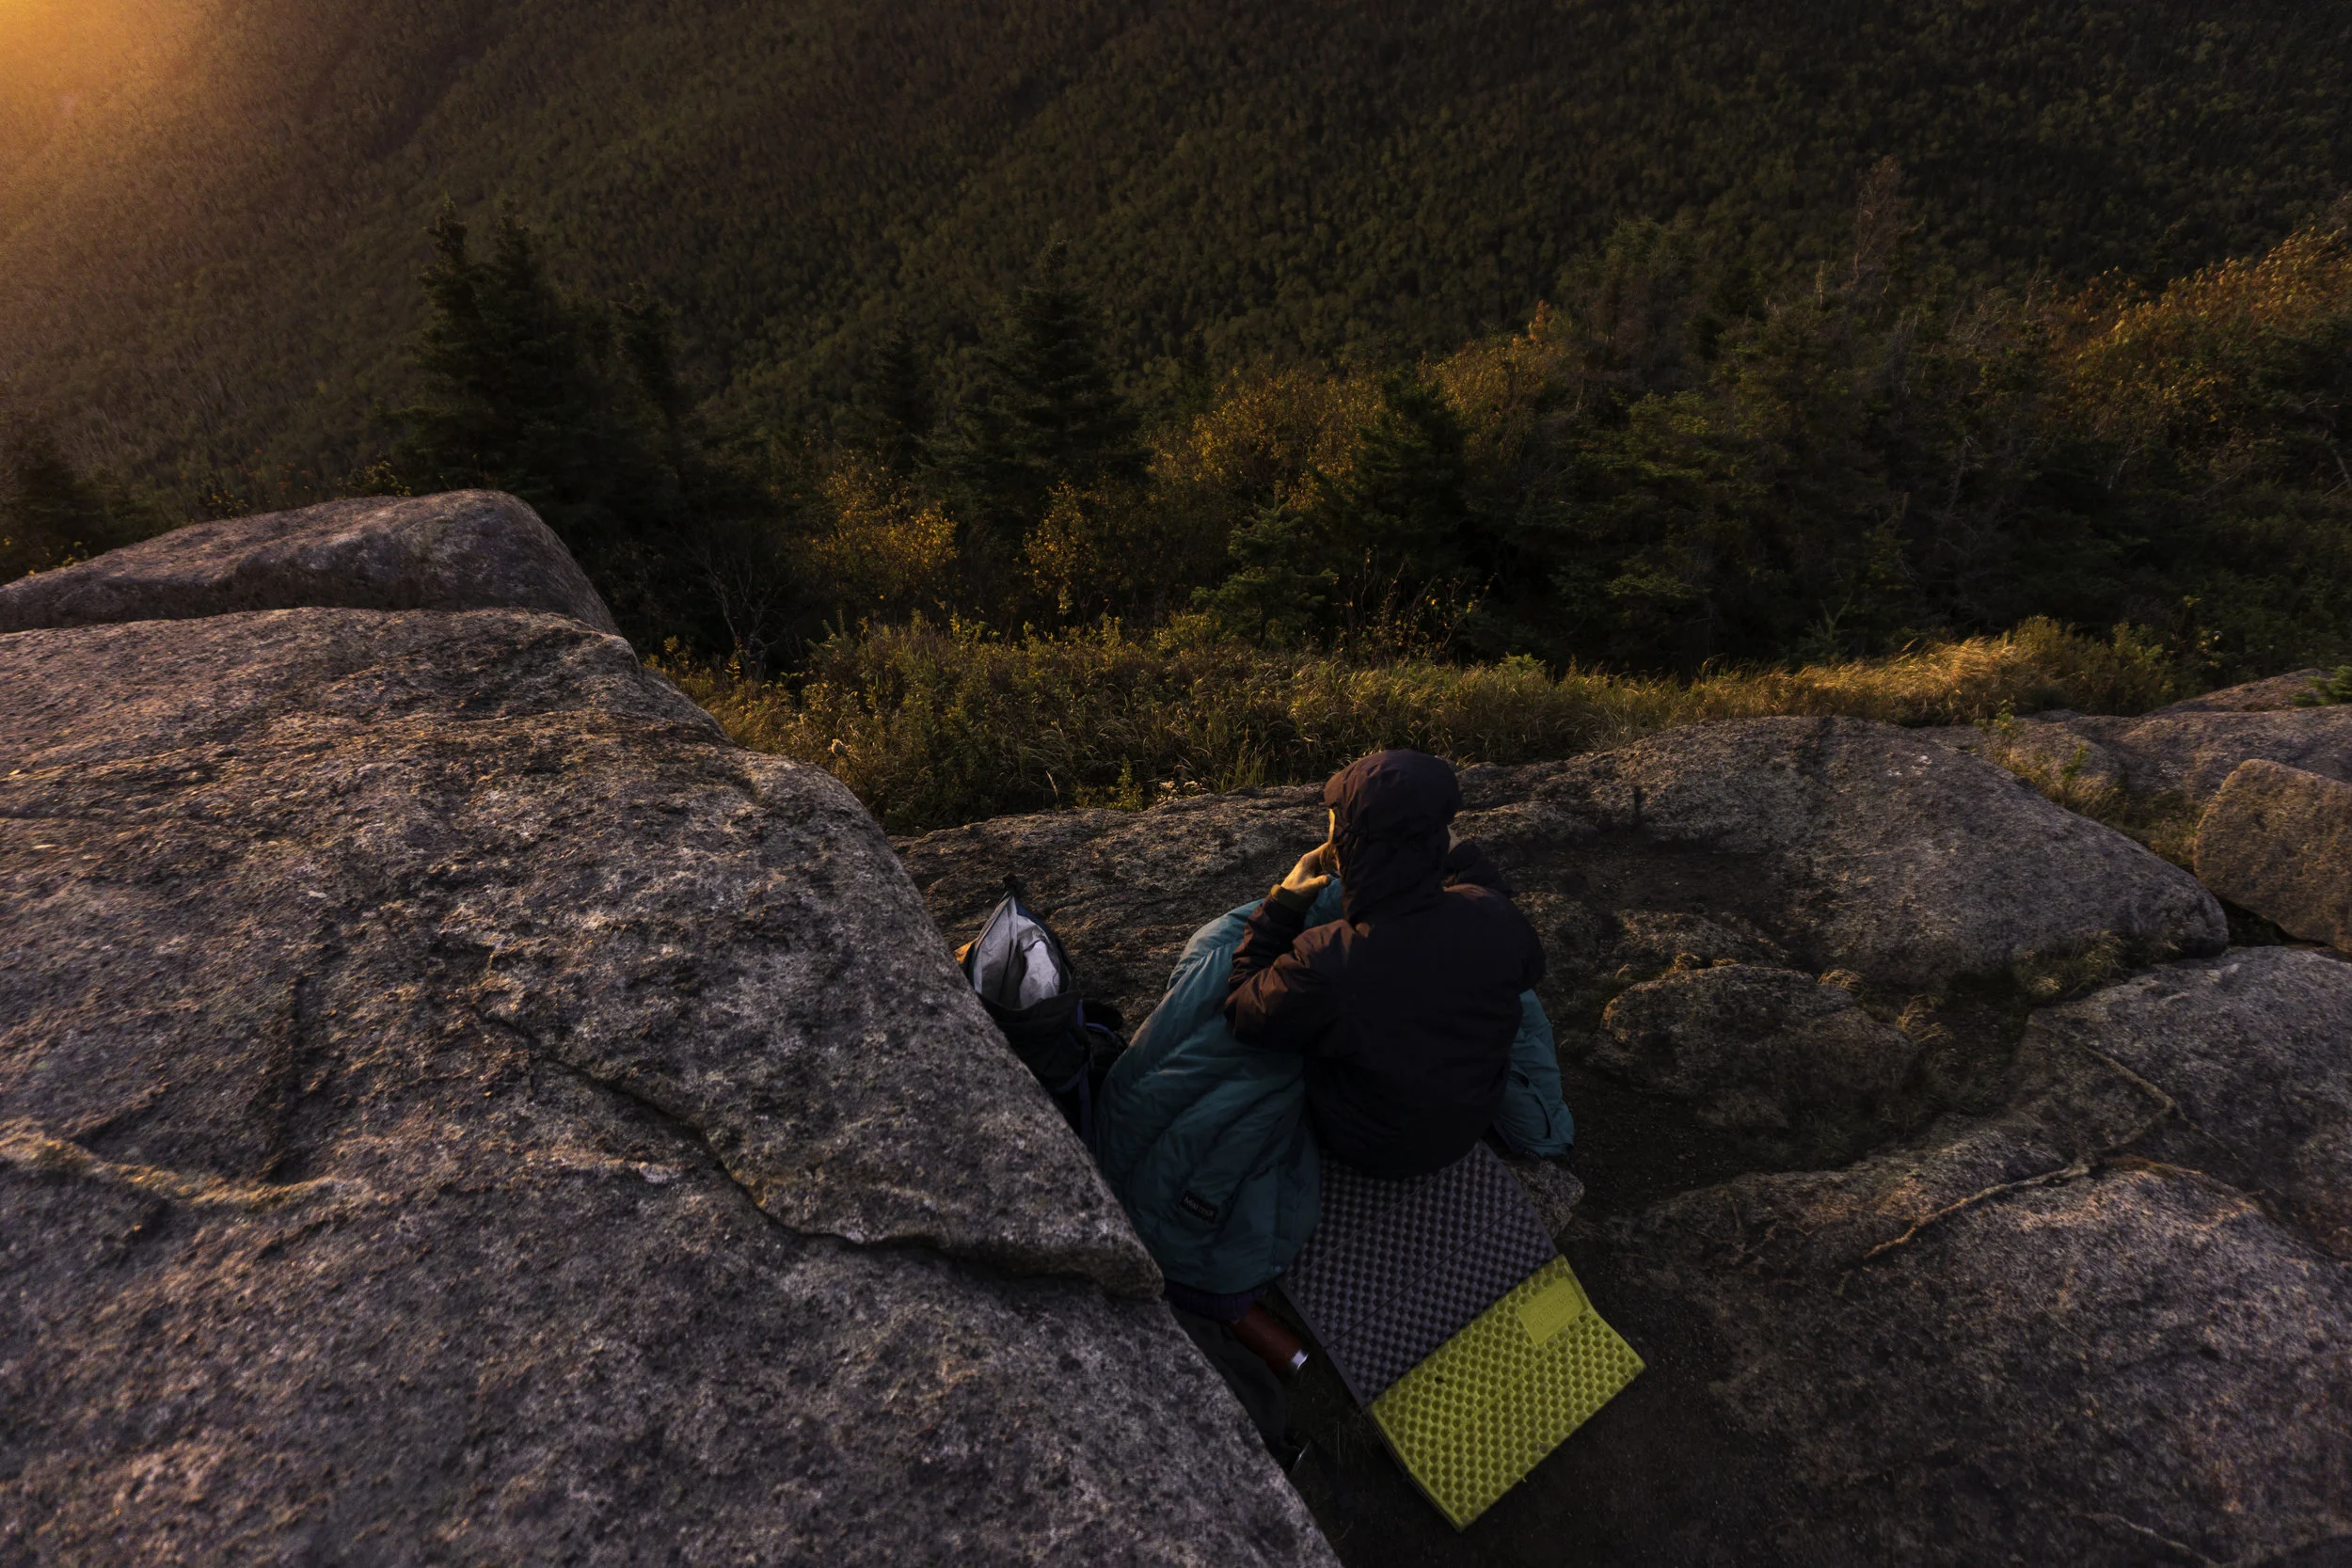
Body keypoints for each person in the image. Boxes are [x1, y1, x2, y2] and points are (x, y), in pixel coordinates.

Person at [1226, 749, 1546, 1179]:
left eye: (1334, 821)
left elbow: (1244, 1009)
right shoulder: (1497, 918)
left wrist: (1280, 908)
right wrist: (1459, 858)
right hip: (1466, 1127)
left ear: (1347, 846)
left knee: (1216, 945)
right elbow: (1515, 948)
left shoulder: (1329, 959)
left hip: (1365, 1144)